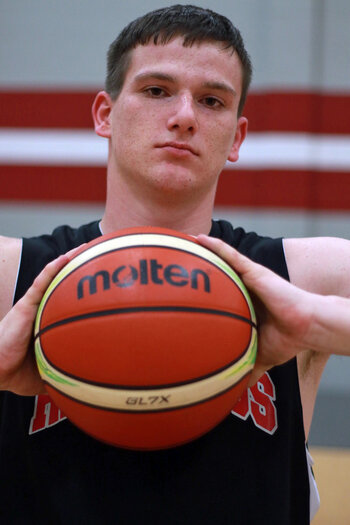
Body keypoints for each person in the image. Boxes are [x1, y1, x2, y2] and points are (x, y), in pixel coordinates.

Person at [0, 4, 349, 524]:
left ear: (236, 137)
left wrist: (313, 321)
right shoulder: (13, 274)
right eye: (156, 90)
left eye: (211, 100)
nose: (184, 115)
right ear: (105, 114)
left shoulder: (300, 276)